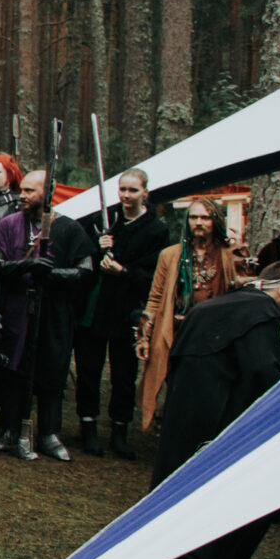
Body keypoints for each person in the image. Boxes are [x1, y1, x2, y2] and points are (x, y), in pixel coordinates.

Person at [113, 263, 280, 559]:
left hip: (184, 420)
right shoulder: (261, 315)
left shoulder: (216, 305)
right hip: (217, 426)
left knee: (172, 490)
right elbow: (261, 374)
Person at [0, 168, 95, 461]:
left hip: (53, 311)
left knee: (52, 370)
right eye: (21, 190)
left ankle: (48, 433)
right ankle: (10, 428)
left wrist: (54, 275)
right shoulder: (7, 225)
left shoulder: (69, 228)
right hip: (16, 309)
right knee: (13, 369)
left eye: (29, 191)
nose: (22, 195)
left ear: (48, 193)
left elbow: (85, 270)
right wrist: (25, 267)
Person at [76, 167, 171, 457]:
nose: (126, 195)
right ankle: (88, 427)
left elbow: (153, 275)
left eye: (133, 190)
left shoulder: (156, 230)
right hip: (96, 307)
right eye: (122, 189)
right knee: (89, 369)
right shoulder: (104, 220)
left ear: (145, 193)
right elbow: (86, 260)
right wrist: (99, 247)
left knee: (124, 373)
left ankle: (120, 431)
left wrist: (124, 271)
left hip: (128, 309)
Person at [134, 197, 241, 433]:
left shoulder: (227, 256)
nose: (198, 222)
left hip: (211, 337)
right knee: (172, 388)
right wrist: (144, 337)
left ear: (215, 221)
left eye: (205, 217)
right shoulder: (170, 255)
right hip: (175, 333)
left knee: (204, 391)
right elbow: (154, 298)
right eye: (194, 217)